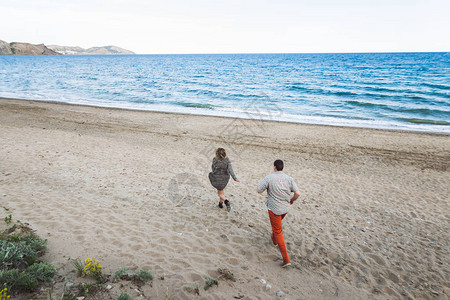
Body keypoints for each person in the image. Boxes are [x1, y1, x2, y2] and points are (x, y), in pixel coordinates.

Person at [257, 159, 300, 268]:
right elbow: (298, 193)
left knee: (278, 231)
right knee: (277, 227)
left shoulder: (269, 178)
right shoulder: (289, 179)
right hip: (285, 208)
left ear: (274, 167)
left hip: (274, 209)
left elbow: (259, 190)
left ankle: (286, 259)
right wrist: (292, 200)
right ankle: (274, 239)